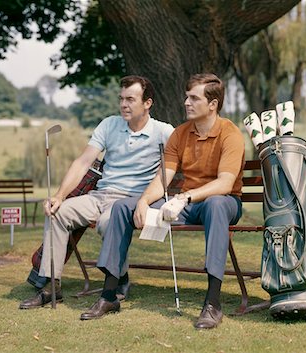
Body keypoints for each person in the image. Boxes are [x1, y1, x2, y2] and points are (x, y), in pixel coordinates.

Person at [82, 73, 245, 330]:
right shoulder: (180, 134)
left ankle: (213, 302)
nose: (186, 102)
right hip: (185, 204)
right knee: (123, 206)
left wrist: (185, 197)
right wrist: (144, 201)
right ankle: (109, 295)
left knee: (214, 203)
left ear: (212, 104)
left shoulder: (230, 133)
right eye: (186, 97)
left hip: (223, 203)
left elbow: (225, 184)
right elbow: (163, 177)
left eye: (194, 98)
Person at [19, 75, 174, 309]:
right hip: (99, 195)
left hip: (129, 202)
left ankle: (119, 279)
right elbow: (83, 162)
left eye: (130, 99)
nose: (123, 104)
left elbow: (185, 154)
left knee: (107, 223)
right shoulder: (109, 124)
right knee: (58, 213)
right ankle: (51, 287)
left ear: (147, 103)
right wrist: (59, 196)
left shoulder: (163, 132)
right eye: (121, 99)